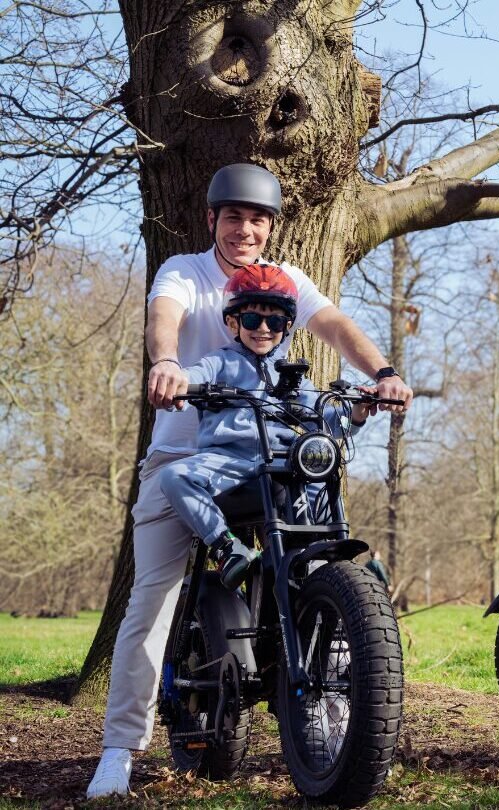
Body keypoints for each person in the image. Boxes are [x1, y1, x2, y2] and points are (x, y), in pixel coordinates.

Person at [87, 163, 413, 799]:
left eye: (257, 219)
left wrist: (385, 373)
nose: (245, 229)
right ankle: (120, 749)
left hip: (273, 461)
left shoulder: (286, 282)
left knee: (327, 568)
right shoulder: (184, 270)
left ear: (271, 227)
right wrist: (167, 364)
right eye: (233, 217)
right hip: (185, 455)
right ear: (212, 220)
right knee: (152, 596)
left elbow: (336, 326)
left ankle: (335, 709)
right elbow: (165, 318)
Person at [158, 263, 372, 588]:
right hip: (230, 461)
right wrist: (178, 381)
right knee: (175, 476)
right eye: (251, 319)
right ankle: (227, 547)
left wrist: (355, 412)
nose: (263, 328)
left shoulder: (291, 375)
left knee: (323, 476)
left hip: (285, 464)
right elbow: (194, 376)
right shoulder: (220, 362)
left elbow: (326, 420)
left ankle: (342, 575)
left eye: (274, 320)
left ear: (286, 326)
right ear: (233, 322)